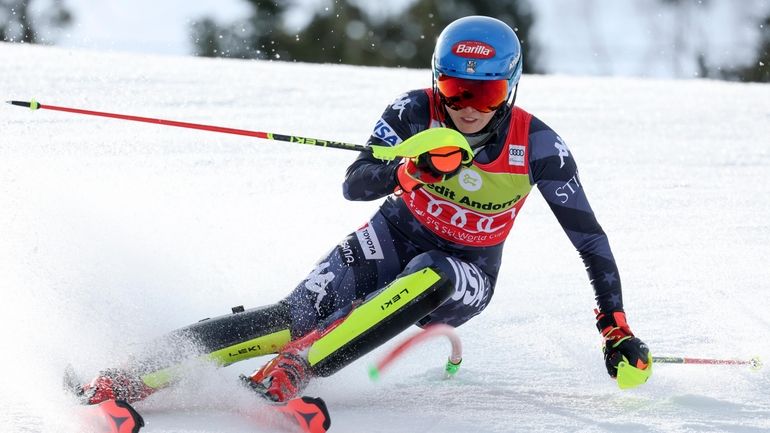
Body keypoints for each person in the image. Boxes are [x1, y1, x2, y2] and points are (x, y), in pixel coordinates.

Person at [74, 15, 651, 406]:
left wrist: (615, 329)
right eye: (454, 89)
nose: (468, 108)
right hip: (392, 234)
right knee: (292, 316)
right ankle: (127, 375)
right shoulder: (411, 111)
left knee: (436, 270)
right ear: (435, 81)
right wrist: (410, 170)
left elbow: (590, 242)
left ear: (512, 89)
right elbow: (356, 184)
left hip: (466, 274)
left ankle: (295, 370)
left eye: (487, 94)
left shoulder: (540, 147)